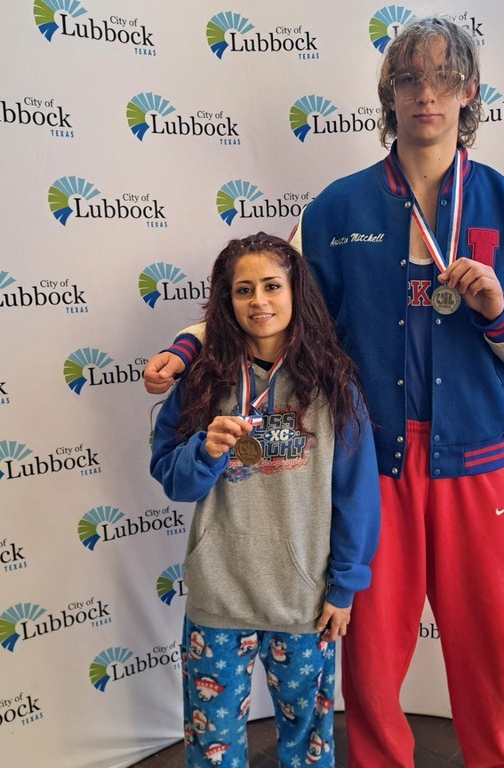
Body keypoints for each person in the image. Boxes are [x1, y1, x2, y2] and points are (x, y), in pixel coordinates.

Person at [146, 17, 504, 768]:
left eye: (443, 78)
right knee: (370, 666)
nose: (426, 94)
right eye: (409, 79)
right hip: (375, 471)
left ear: (470, 91)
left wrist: (500, 310)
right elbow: (270, 304)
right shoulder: (336, 212)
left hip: (476, 473)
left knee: (496, 658)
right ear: (388, 95)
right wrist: (187, 344)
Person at [149, 232, 380, 768]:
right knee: (212, 748)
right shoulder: (201, 380)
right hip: (218, 598)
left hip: (303, 602)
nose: (259, 301)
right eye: (243, 290)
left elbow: (356, 495)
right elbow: (172, 478)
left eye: (272, 286)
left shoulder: (333, 384)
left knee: (307, 744)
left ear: (296, 292)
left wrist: (344, 587)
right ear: (225, 303)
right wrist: (204, 450)